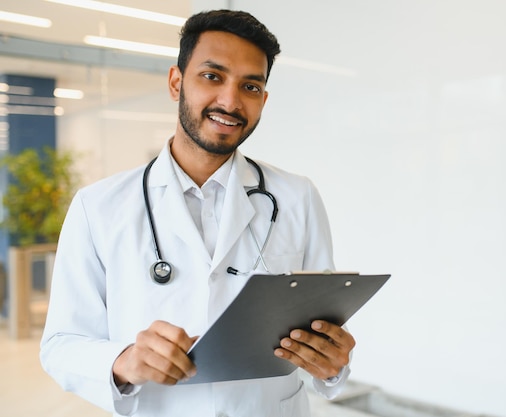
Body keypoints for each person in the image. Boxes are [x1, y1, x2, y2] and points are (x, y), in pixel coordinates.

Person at [40, 9, 355, 417]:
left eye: (250, 86)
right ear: (176, 82)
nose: (230, 100)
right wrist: (123, 361)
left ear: (263, 99)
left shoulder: (297, 197)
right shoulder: (97, 206)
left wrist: (332, 365)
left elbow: (324, 323)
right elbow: (62, 343)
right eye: (212, 76)